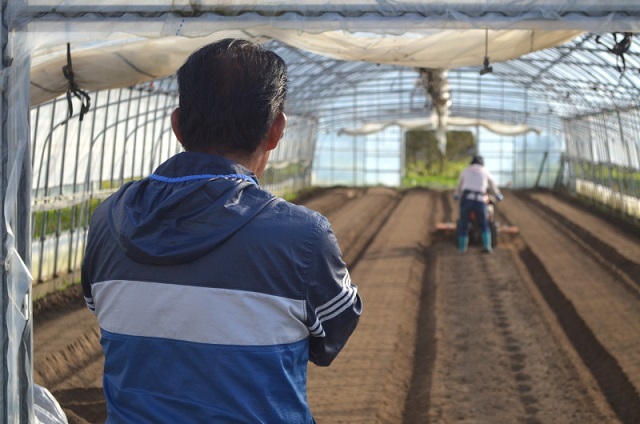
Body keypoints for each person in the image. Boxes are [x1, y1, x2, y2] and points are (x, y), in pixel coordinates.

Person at [81, 38, 362, 423]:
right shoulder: (303, 238)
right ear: (276, 130)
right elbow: (331, 336)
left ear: (177, 125)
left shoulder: (107, 220)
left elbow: (100, 308)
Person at [453, 155, 503, 253]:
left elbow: (459, 185)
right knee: (484, 224)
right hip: (480, 201)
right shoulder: (485, 171)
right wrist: (498, 195)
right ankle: (487, 246)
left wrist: (456, 194)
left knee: (463, 224)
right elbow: (492, 185)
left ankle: (462, 248)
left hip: (467, 200)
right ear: (482, 163)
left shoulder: (466, 171)